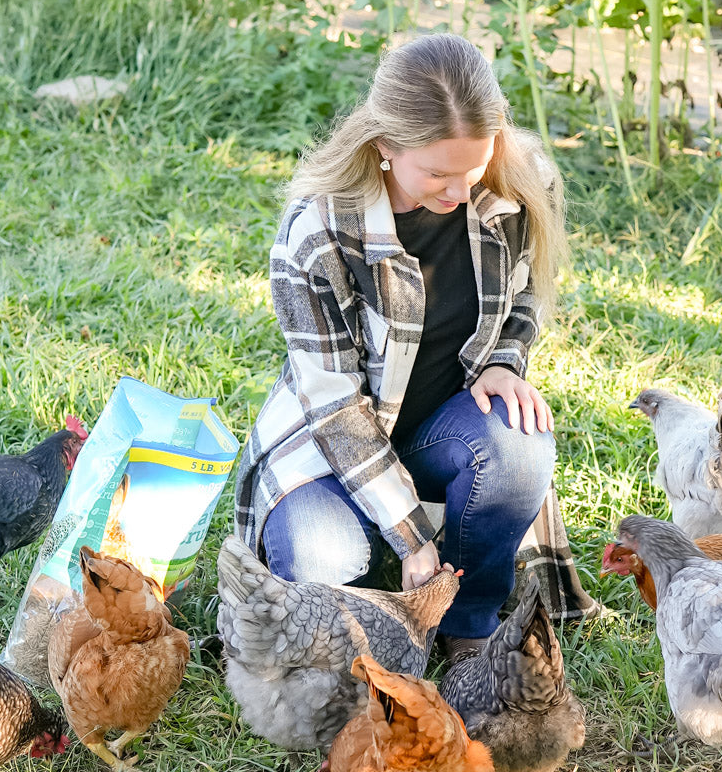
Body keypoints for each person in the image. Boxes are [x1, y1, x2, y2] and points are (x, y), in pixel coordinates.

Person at [234, 33, 595, 661]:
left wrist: (507, 360)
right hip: (333, 445)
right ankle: (383, 554)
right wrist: (409, 538)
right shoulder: (316, 230)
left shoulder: (519, 181)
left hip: (441, 426)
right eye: (437, 173)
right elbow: (336, 406)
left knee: (519, 442)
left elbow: (530, 290)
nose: (459, 191)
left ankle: (470, 623)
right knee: (325, 558)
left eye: (473, 168)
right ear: (383, 148)